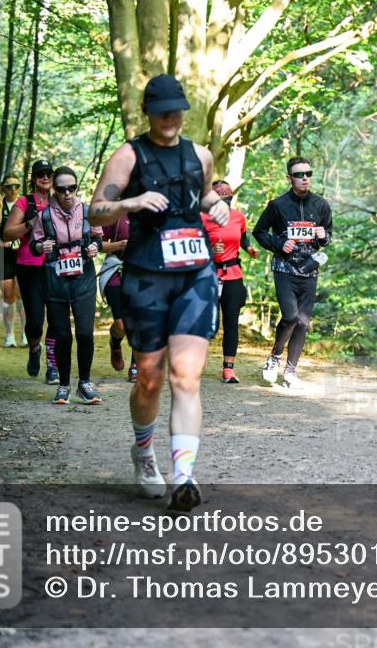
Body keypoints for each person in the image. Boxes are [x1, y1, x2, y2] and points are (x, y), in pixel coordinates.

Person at [89, 73, 230, 513]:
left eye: (176, 108)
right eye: (161, 109)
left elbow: (202, 195)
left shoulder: (200, 155)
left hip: (195, 273)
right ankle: (144, 452)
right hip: (148, 273)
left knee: (185, 376)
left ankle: (184, 476)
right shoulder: (129, 155)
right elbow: (96, 210)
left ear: (184, 110)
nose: (170, 116)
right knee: (149, 375)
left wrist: (216, 205)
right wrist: (131, 203)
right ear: (148, 112)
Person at [253, 156, 333, 389]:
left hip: (309, 269)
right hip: (285, 268)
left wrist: (322, 236)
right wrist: (279, 244)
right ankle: (274, 357)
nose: (304, 178)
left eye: (308, 174)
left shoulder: (321, 205)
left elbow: (327, 235)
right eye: (299, 175)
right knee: (290, 316)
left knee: (303, 322)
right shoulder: (277, 205)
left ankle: (290, 372)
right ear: (289, 178)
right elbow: (259, 232)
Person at [29, 166, 103, 405]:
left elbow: (98, 238)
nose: (68, 193)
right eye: (62, 189)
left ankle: (85, 383)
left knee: (84, 333)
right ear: (55, 191)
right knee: (62, 335)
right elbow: (34, 244)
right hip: (55, 279)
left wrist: (95, 247)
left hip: (84, 278)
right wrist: (41, 248)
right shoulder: (45, 216)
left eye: (72, 188)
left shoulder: (89, 212)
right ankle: (63, 385)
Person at [2, 159, 60, 384]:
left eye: (48, 173)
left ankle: (52, 365)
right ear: (33, 178)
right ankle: (35, 348)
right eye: (40, 174)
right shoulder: (25, 202)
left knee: (56, 318)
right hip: (29, 266)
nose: (45, 177)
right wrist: (31, 223)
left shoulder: (61, 200)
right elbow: (7, 234)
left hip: (57, 265)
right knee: (35, 320)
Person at [203, 180, 258, 383]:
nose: (226, 203)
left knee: (231, 323)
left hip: (233, 275)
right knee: (210, 324)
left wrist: (249, 249)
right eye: (222, 199)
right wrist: (210, 251)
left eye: (229, 199)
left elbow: (243, 238)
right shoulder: (203, 218)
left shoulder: (238, 217)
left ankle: (228, 369)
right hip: (208, 276)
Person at [0, 173, 26, 348]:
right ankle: (9, 336)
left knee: (23, 295)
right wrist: (0, 207)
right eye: (9, 186)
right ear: (3, 188)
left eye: (16, 186)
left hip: (22, 254)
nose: (13, 190)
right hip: (3, 254)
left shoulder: (24, 203)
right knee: (8, 295)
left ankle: (26, 334)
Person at [99, 212, 138, 382]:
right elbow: (99, 245)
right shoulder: (115, 215)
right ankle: (115, 344)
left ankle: (136, 365)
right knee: (121, 325)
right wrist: (120, 245)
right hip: (116, 269)